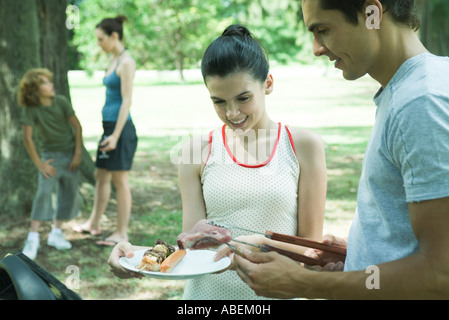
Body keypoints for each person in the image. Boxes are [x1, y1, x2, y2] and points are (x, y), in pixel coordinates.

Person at [233, 0, 449, 299]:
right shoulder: (413, 88)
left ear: (372, 13)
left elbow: (440, 274)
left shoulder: (420, 103)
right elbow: (415, 241)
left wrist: (303, 283)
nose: (316, 48)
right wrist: (363, 253)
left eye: (323, 30)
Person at [107, 24, 327, 300]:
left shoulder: (303, 146)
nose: (232, 113)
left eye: (243, 98)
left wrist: (255, 246)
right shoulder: (195, 152)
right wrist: (133, 255)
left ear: (268, 84)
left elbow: (309, 252)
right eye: (219, 101)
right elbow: (192, 250)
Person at [73, 15, 138, 247]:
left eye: (101, 39)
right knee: (100, 176)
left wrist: (115, 136)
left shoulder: (126, 62)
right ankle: (93, 223)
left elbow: (126, 101)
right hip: (108, 129)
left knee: (120, 182)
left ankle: (122, 233)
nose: (98, 43)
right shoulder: (113, 59)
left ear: (114, 36)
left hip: (120, 131)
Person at [19, 68, 83, 260]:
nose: (51, 84)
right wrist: (40, 164)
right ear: (34, 90)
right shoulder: (31, 109)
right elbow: (27, 138)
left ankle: (56, 233)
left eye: (49, 81)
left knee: (68, 193)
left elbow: (77, 126)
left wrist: (78, 153)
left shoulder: (61, 102)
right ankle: (33, 237)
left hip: (70, 155)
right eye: (45, 83)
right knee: (43, 193)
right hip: (51, 159)